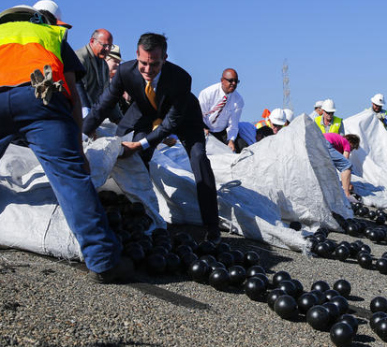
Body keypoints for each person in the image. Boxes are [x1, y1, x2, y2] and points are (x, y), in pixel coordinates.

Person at [0, 5, 127, 283]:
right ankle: (103, 261)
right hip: (39, 97)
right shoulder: (52, 34)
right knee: (70, 179)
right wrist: (78, 151)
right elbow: (74, 98)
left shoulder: (1, 32)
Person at [82, 32, 221, 243]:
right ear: (136, 55)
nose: (148, 70)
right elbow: (103, 106)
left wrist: (140, 144)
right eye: (143, 63)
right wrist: (81, 135)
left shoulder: (181, 79)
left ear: (164, 58)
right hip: (146, 112)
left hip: (183, 118)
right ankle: (143, 215)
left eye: (154, 64)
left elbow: (170, 124)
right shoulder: (125, 73)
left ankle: (212, 226)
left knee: (199, 158)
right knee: (129, 153)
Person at [75, 28, 122, 123]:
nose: (107, 49)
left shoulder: (103, 64)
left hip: (94, 116)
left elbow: (107, 95)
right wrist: (88, 117)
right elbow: (79, 90)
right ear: (92, 41)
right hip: (79, 115)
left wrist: (120, 120)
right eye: (104, 45)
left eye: (110, 46)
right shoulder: (80, 58)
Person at [198, 68, 246, 152]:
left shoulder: (238, 100)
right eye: (231, 81)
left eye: (236, 81)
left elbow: (233, 125)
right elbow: (198, 114)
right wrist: (202, 128)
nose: (234, 84)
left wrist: (231, 140)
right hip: (205, 129)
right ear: (222, 80)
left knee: (243, 146)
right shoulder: (207, 93)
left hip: (223, 131)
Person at [324, 133, 360, 203]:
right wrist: (348, 184)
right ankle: (347, 195)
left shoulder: (337, 143)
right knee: (347, 165)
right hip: (326, 143)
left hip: (315, 141)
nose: (351, 150)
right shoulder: (346, 143)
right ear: (351, 143)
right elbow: (345, 162)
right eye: (352, 148)